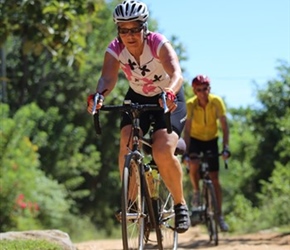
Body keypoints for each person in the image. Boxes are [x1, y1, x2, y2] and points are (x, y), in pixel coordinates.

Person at [87, 0, 189, 233]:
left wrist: (170, 91)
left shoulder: (158, 43)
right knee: (126, 141)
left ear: (144, 27)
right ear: (118, 31)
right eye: (124, 30)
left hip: (168, 96)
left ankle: (180, 204)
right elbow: (107, 79)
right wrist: (99, 95)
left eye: (134, 29)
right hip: (137, 96)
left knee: (161, 150)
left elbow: (176, 73)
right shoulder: (115, 48)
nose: (129, 35)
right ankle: (132, 202)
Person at [183, 74, 231, 232]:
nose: (203, 92)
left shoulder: (216, 102)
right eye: (199, 90)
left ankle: (219, 215)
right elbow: (188, 129)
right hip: (196, 140)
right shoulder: (190, 104)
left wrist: (225, 147)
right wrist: (186, 152)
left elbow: (224, 126)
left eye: (205, 89)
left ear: (209, 89)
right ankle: (196, 191)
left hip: (211, 140)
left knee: (215, 178)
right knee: (194, 163)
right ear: (194, 91)